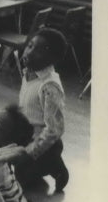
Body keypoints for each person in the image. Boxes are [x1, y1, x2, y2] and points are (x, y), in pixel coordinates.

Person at [14, 28, 70, 192]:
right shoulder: (28, 73)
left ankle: (56, 167)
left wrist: (30, 152)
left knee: (21, 179)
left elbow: (54, 129)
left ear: (52, 58)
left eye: (39, 51)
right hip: (25, 134)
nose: (30, 53)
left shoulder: (50, 86)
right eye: (30, 46)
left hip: (44, 143)